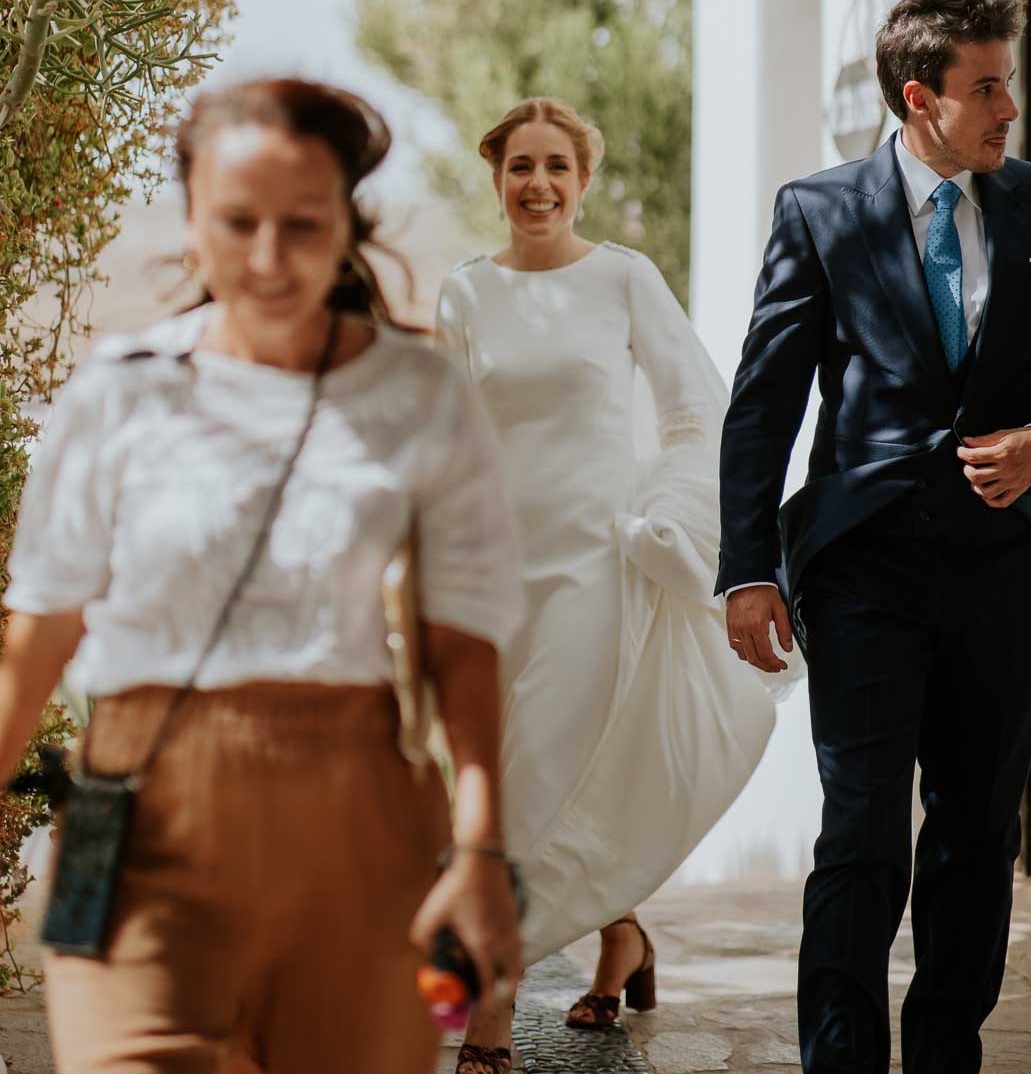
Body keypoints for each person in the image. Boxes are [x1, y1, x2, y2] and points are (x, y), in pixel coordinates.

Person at [0, 77, 522, 1074]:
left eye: (303, 222)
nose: (270, 256)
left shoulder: (419, 391)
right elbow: (44, 624)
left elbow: (463, 639)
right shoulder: (120, 391)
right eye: (238, 221)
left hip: (359, 821)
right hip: (137, 817)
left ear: (348, 223)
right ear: (191, 216)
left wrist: (483, 850)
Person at [719, 0, 1031, 1074]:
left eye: (1009, 80)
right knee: (861, 833)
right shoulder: (819, 211)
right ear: (922, 97)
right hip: (863, 567)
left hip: (1005, 570)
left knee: (974, 835)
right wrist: (745, 569)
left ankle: (945, 1054)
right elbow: (765, 401)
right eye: (988, 86)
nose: (1010, 105)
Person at [437, 96, 778, 1074]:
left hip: (595, 563)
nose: (537, 183)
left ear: (583, 181)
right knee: (513, 775)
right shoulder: (464, 291)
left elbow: (694, 411)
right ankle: (621, 934)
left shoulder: (625, 278)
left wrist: (666, 512)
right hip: (496, 570)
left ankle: (491, 1010)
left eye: (557, 165)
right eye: (519, 166)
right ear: (496, 176)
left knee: (536, 777)